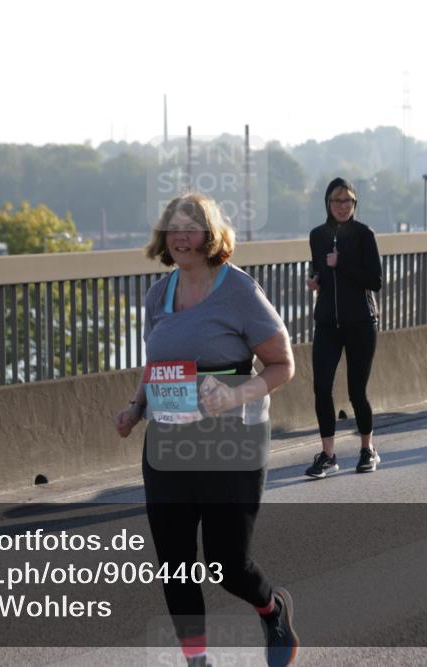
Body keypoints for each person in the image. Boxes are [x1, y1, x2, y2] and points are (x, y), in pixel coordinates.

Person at [114, 192, 298, 667]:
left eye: (190, 227)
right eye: (173, 228)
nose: (180, 236)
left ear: (210, 234)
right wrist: (135, 408)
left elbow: (282, 364)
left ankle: (271, 608)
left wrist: (235, 394)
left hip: (230, 443)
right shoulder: (159, 294)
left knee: (227, 564)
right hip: (169, 445)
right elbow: (157, 365)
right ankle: (197, 660)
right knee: (174, 564)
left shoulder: (238, 290)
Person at [303, 178, 383, 478]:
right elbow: (320, 269)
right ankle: (328, 455)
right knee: (321, 388)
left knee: (356, 390)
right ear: (327, 203)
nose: (343, 206)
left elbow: (375, 281)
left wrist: (342, 264)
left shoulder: (364, 234)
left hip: (361, 322)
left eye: (348, 201)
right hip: (327, 322)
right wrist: (315, 280)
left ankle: (367, 448)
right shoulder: (317, 235)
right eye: (337, 201)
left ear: (355, 204)